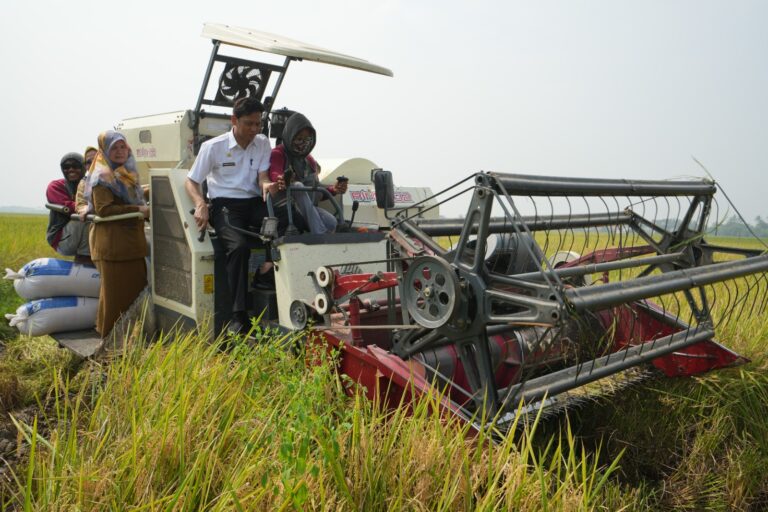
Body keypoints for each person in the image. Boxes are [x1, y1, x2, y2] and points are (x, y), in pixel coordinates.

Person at [185, 97, 272, 334]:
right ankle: (239, 316)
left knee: (289, 224)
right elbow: (191, 181)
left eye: (258, 124)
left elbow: (262, 177)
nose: (254, 130)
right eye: (249, 124)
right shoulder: (213, 147)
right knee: (239, 247)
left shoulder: (263, 142)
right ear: (234, 121)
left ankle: (269, 278)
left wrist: (268, 185)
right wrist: (201, 203)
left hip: (254, 202)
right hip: (225, 206)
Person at [84, 131, 150, 338]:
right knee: (115, 301)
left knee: (132, 297)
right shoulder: (102, 176)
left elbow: (132, 197)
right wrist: (138, 210)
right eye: (114, 147)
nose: (120, 151)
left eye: (123, 146)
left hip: (131, 246)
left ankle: (125, 343)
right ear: (105, 150)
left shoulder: (124, 173)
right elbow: (104, 209)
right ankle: (110, 347)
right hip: (114, 248)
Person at [265, 113, 347, 234]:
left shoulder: (309, 161)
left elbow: (315, 191)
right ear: (290, 136)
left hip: (306, 208)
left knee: (332, 222)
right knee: (297, 186)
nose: (303, 143)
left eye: (307, 139)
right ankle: (320, 234)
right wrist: (283, 179)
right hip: (285, 207)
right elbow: (275, 173)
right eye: (299, 138)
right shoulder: (278, 153)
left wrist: (334, 189)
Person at [46, 152, 91, 263]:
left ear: (84, 168)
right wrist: (93, 206)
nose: (71, 169)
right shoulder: (56, 186)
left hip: (81, 235)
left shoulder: (92, 183)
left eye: (75, 166)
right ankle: (85, 258)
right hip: (61, 238)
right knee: (85, 217)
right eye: (66, 167)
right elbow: (70, 206)